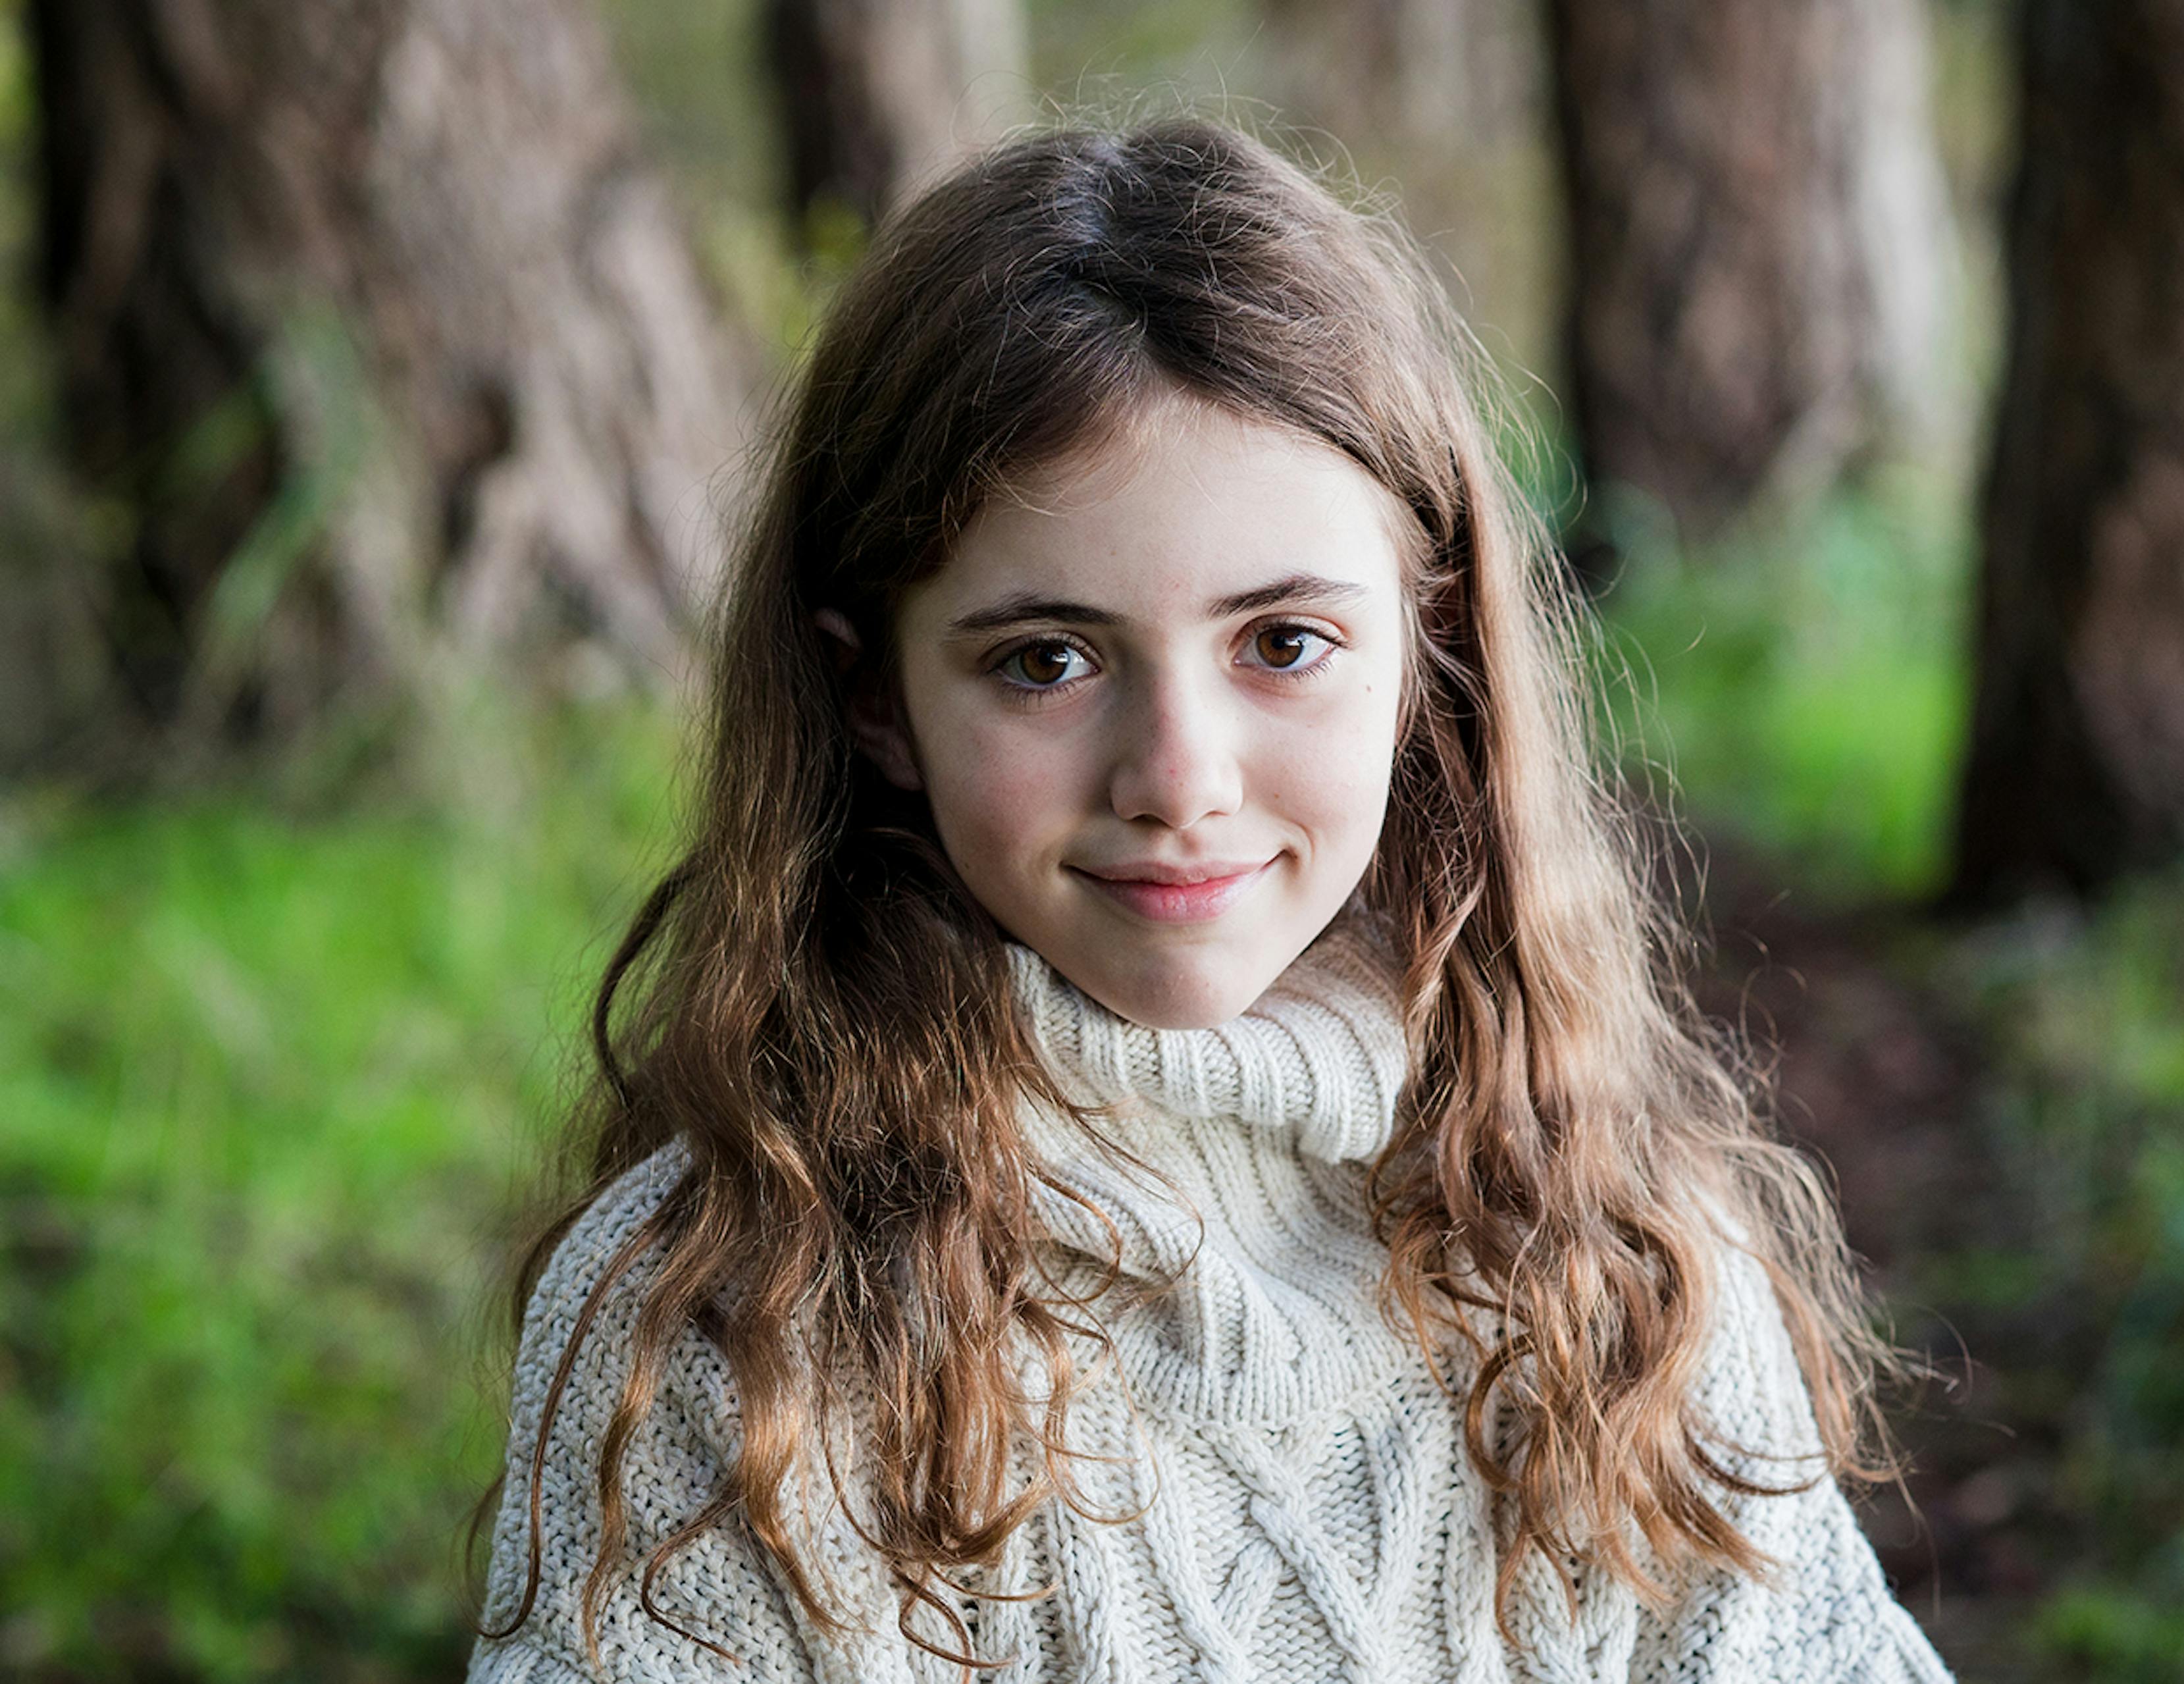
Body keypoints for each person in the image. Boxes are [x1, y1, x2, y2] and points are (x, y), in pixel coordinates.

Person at [466, 115, 1952, 1683]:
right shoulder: (720, 1325)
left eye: (1283, 643)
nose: (1180, 778)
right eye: (1046, 660)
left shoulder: (1614, 1243)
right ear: (877, 700)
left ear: (1421, 647)